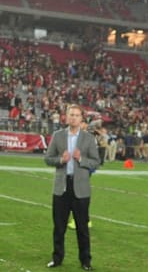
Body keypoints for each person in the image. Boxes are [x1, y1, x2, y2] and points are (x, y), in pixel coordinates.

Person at [44, 104, 99, 270]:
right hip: (61, 187)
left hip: (80, 189)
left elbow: (96, 162)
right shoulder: (58, 136)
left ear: (81, 118)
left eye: (76, 115)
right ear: (66, 117)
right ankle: (57, 258)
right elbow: (48, 158)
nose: (73, 117)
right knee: (59, 227)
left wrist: (81, 159)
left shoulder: (88, 138)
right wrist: (60, 160)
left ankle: (85, 261)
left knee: (82, 228)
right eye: (71, 114)